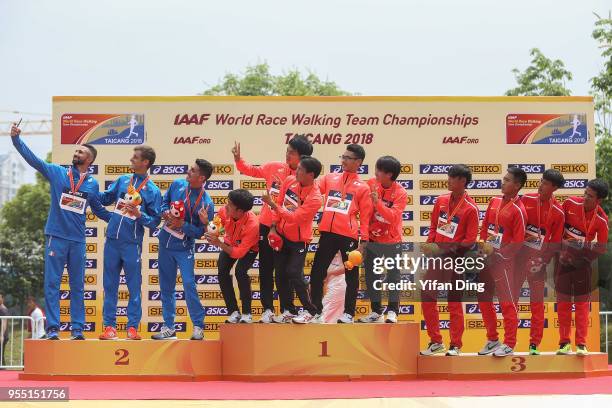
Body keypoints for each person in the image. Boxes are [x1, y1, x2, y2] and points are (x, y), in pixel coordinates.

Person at [11, 123, 111, 340]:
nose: (76, 153)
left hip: (78, 241)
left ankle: (77, 330)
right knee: (52, 285)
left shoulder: (92, 185)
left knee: (77, 287)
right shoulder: (58, 172)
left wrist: (122, 219)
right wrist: (16, 140)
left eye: (81, 152)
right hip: (56, 237)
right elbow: (34, 161)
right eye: (76, 151)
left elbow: (99, 209)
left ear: (89, 160)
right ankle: (53, 329)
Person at [232, 135, 313, 323]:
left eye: (292, 153)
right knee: (265, 269)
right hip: (266, 227)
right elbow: (251, 170)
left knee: (284, 271)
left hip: (287, 231)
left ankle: (287, 308)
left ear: (302, 157)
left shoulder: (304, 180)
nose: (287, 155)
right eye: (287, 151)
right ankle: (267, 309)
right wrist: (238, 160)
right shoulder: (274, 167)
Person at [98, 146, 162, 340]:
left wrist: (138, 214)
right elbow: (105, 198)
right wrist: (89, 192)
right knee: (110, 286)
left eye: (135, 157)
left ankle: (132, 327)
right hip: (112, 241)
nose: (131, 159)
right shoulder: (122, 180)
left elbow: (155, 222)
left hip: (132, 244)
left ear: (145, 163)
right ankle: (109, 327)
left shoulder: (153, 190)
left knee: (134, 287)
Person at [310, 144, 373, 323]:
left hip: (348, 236)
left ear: (358, 162)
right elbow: (312, 189)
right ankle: (316, 312)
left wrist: (364, 242)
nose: (343, 160)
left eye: (348, 158)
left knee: (351, 274)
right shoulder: (330, 178)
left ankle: (349, 314)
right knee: (317, 272)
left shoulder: (363, 187)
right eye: (343, 157)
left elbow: (366, 217)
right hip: (327, 234)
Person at [420, 164, 479, 356]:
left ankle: (455, 345)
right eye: (449, 177)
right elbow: (433, 226)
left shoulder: (471, 208)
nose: (448, 180)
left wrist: (445, 248)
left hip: (455, 260)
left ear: (462, 181)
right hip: (436, 258)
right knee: (427, 297)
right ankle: (435, 341)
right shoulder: (441, 201)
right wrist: (430, 245)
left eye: (452, 178)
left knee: (454, 302)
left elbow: (470, 241)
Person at [152, 160, 214, 340]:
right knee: (166, 287)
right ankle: (169, 327)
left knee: (188, 284)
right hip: (165, 244)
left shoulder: (206, 203)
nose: (188, 171)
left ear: (201, 177)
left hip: (184, 248)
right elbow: (164, 203)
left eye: (193, 170)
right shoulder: (178, 184)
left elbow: (202, 233)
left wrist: (183, 225)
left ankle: (198, 326)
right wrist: (165, 213)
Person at [262, 156, 323, 324]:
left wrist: (273, 205)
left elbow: (294, 218)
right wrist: (273, 227)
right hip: (281, 236)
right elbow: (280, 202)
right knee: (280, 274)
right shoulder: (289, 181)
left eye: (300, 170)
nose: (296, 172)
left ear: (310, 175)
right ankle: (289, 310)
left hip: (299, 241)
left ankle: (312, 311)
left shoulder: (316, 198)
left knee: (294, 273)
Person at [477, 167, 527, 357]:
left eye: (507, 180)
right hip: (486, 259)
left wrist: (500, 255)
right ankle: (492, 339)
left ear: (517, 185)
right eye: (503, 179)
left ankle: (509, 343)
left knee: (507, 303)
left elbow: (518, 241)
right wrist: (483, 247)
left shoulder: (518, 210)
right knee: (483, 299)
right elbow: (485, 229)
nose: (503, 182)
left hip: (503, 263)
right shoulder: (494, 201)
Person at [556, 179, 609, 356]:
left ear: (598, 200)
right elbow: (556, 227)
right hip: (563, 262)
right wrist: (561, 247)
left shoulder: (601, 219)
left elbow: (601, 248)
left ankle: (581, 344)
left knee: (581, 306)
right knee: (563, 304)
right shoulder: (570, 203)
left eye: (590, 196)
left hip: (582, 265)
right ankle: (564, 343)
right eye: (585, 193)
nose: (585, 197)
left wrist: (583, 258)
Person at [516, 169, 565, 355]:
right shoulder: (526, 199)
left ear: (554, 188)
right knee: (511, 300)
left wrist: (542, 260)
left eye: (545, 183)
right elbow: (515, 226)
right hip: (518, 259)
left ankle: (534, 344)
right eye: (541, 181)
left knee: (536, 303)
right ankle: (507, 342)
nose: (540, 185)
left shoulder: (558, 212)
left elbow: (555, 242)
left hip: (537, 263)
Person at [359, 156, 408, 324]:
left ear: (390, 175)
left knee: (393, 277)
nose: (376, 172)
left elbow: (393, 217)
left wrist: (378, 203)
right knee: (372, 276)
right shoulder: (371, 183)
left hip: (392, 241)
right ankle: (375, 311)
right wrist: (364, 238)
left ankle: (393, 311)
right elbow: (365, 214)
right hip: (373, 239)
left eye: (380, 170)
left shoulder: (401, 193)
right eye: (376, 168)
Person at [205, 189, 259, 324]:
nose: (226, 206)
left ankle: (247, 313)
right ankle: (233, 312)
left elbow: (239, 253)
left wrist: (218, 243)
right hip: (230, 243)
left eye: (230, 204)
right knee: (222, 271)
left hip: (249, 249)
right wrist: (206, 223)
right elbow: (215, 229)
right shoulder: (224, 211)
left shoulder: (253, 225)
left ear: (240, 211)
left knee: (240, 272)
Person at [0, 294, 9, 366]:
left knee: (1, 354)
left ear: (2, 299)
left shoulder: (3, 309)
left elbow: (4, 323)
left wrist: (1, 335)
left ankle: (3, 368)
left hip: (2, 336)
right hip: (2, 335)